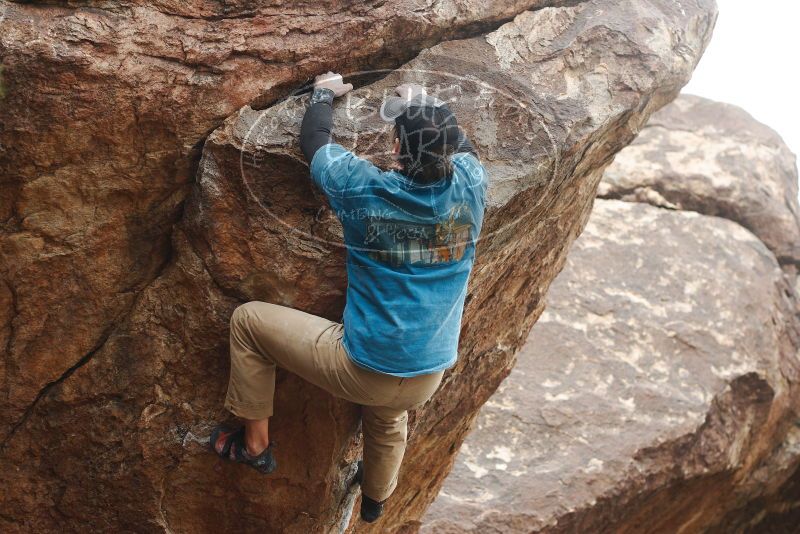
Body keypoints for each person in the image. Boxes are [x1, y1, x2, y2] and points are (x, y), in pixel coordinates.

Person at [210, 72, 488, 523]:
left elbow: (315, 143)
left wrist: (323, 93)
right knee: (387, 416)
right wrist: (423, 102)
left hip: (363, 365)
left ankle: (255, 445)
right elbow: (463, 144)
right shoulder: (472, 188)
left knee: (247, 322)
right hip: (428, 372)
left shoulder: (366, 191)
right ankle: (376, 499)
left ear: (396, 150)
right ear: (449, 151)